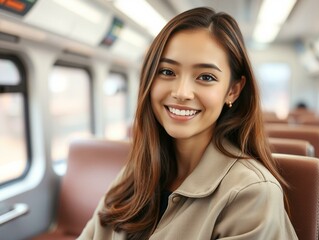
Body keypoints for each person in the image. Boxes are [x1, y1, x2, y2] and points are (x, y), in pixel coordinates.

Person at [78, 7, 298, 240]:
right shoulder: (134, 174)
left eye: (205, 77)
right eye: (167, 71)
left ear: (233, 90)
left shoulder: (252, 193)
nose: (182, 92)